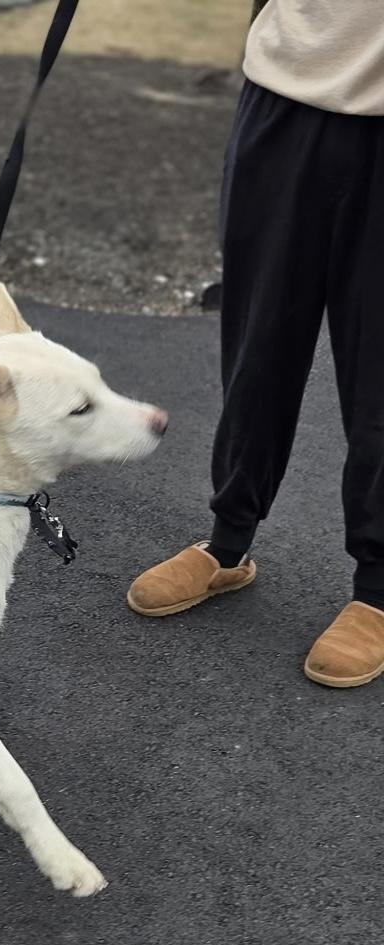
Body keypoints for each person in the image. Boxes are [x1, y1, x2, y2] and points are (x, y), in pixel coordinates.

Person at [127, 0, 384, 688]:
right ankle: (228, 539)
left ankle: (378, 590)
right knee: (257, 347)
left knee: (378, 380)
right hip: (283, 94)